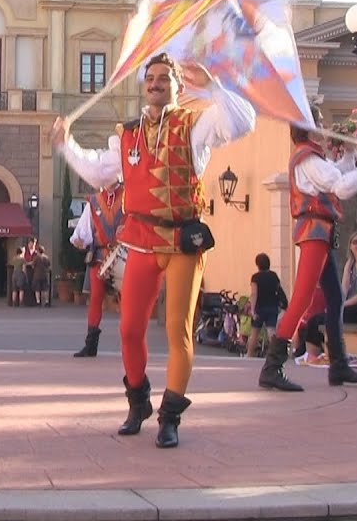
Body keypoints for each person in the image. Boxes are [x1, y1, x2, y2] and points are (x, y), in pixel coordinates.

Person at [52, 52, 255, 449]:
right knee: (129, 330)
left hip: (182, 240)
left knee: (178, 331)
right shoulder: (127, 135)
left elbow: (244, 120)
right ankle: (137, 399)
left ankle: (170, 416)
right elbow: (96, 171)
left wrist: (213, 86)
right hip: (141, 240)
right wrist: (66, 145)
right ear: (144, 86)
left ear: (178, 85)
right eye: (151, 78)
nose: (157, 83)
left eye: (165, 77)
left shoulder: (196, 125)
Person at [259, 106, 357, 392]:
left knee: (335, 296)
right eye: (320, 120)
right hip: (315, 231)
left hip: (320, 231)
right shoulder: (308, 159)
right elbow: (340, 187)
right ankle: (273, 366)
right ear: (309, 126)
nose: (325, 123)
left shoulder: (312, 157)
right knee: (303, 299)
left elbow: (336, 174)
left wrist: (351, 155)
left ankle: (339, 364)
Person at [69, 178, 124, 358]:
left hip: (123, 254)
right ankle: (90, 345)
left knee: (127, 299)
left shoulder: (128, 197)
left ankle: (130, 343)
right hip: (100, 255)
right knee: (95, 299)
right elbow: (84, 231)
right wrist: (79, 240)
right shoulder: (94, 201)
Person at [247, 253, 287, 358]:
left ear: (258, 264)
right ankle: (274, 354)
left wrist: (252, 310)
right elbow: (278, 289)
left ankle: (250, 354)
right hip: (272, 306)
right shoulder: (273, 276)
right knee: (271, 331)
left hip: (260, 307)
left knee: (254, 333)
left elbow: (254, 294)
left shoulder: (255, 277)